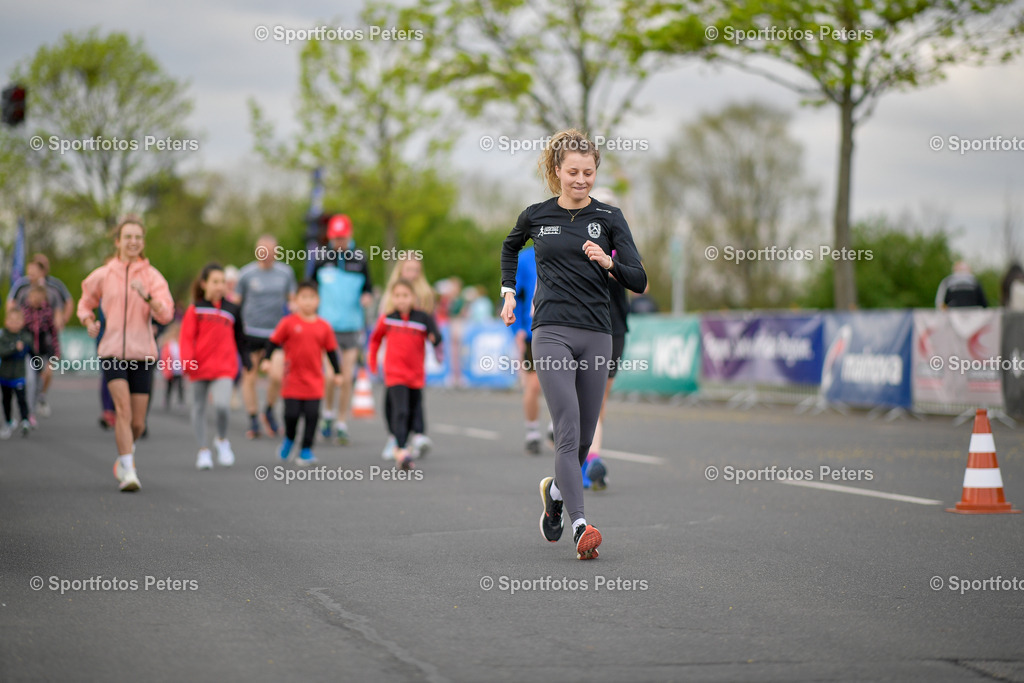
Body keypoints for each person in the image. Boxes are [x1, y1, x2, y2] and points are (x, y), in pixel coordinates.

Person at [500, 129, 647, 561]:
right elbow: (510, 248)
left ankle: (556, 496)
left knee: (584, 433)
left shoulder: (610, 217)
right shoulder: (536, 215)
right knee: (566, 427)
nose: (581, 180)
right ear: (557, 171)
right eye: (573, 172)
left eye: (588, 172)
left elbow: (639, 280)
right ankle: (581, 524)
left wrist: (608, 262)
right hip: (551, 331)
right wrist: (508, 291)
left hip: (597, 332)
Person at [78, 216, 174, 492]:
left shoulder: (152, 276)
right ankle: (128, 469)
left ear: (143, 243)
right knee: (122, 410)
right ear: (118, 241)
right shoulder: (104, 274)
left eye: (138, 238)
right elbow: (85, 302)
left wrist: (147, 297)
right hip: (111, 352)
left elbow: (166, 312)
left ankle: (125, 456)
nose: (133, 242)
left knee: (138, 423)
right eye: (128, 237)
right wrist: (88, 322)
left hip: (142, 353)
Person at [580, 186, 634, 491]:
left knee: (599, 402)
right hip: (586, 327)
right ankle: (590, 460)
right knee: (588, 400)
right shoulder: (579, 240)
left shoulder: (621, 247)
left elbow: (643, 282)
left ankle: (590, 462)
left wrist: (613, 267)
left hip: (616, 329)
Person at [180, 263, 251, 470]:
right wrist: (187, 361)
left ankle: (221, 440)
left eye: (223, 282)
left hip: (224, 368)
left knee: (222, 406)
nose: (220, 286)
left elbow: (241, 338)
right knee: (199, 408)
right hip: (199, 367)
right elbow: (186, 338)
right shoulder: (195, 309)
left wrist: (246, 361)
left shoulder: (233, 309)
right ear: (204, 284)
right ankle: (203, 451)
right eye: (215, 282)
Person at [264, 281, 342, 465]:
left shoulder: (324, 326)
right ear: (296, 300)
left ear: (318, 300)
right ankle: (289, 439)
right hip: (292, 380)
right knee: (291, 415)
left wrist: (337, 373)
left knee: (312, 416)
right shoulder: (288, 323)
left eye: (311, 298)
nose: (307, 302)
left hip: (314, 381)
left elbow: (331, 351)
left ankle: (306, 449)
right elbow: (274, 341)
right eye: (303, 297)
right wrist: (266, 360)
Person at [368, 279, 443, 470]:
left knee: (412, 411)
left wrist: (437, 347)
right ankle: (401, 450)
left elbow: (436, 337)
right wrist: (372, 363)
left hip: (415, 374)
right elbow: (375, 340)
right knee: (400, 411)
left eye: (405, 295)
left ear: (413, 297)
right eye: (398, 296)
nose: (401, 300)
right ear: (392, 298)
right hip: (394, 373)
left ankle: (408, 440)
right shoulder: (387, 318)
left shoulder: (422, 318)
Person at [312, 214, 373, 445]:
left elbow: (367, 287)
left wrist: (367, 298)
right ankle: (327, 413)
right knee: (330, 376)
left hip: (351, 326)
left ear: (349, 235)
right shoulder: (321, 258)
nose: (339, 242)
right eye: (335, 238)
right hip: (327, 327)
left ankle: (341, 421)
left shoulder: (360, 259)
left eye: (342, 237)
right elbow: (310, 288)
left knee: (347, 377)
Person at [237, 235, 296, 439]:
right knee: (250, 376)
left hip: (276, 334)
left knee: (277, 376)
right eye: (262, 250)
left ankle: (269, 410)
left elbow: (292, 299)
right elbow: (237, 302)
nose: (266, 254)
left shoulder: (285, 273)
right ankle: (253, 417)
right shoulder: (245, 274)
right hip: (250, 331)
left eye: (270, 250)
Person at [378, 257, 436, 459]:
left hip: (415, 355)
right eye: (408, 269)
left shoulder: (425, 294)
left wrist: (435, 341)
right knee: (393, 401)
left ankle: (416, 435)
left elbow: (430, 324)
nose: (412, 273)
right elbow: (381, 325)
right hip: (394, 355)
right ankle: (395, 437)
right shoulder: (391, 295)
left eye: (416, 269)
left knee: (414, 398)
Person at [7, 254, 73, 418]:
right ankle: (28, 409)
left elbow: (64, 304)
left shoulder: (54, 287)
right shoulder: (21, 286)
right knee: (30, 376)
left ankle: (39, 397)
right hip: (28, 340)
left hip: (46, 339)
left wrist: (63, 319)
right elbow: (12, 305)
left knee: (44, 373)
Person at [511, 244, 543, 454]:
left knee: (563, 382)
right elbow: (514, 295)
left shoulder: (569, 248)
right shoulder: (524, 258)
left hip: (562, 328)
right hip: (533, 332)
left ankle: (556, 427)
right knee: (533, 385)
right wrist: (518, 331)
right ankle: (532, 430)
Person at [21, 285, 59, 425]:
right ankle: (29, 413)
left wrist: (55, 354)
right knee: (30, 380)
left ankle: (39, 399)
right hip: (28, 351)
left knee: (41, 378)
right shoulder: (24, 312)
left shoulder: (47, 312)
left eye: (39, 297)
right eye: (33, 297)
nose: (35, 300)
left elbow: (53, 333)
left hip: (42, 350)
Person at [0, 305, 34, 439]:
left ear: (22, 322)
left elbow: (32, 352)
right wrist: (14, 348)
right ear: (6, 322)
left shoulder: (25, 337)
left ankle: (25, 420)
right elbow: (2, 352)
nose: (14, 324)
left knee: (21, 398)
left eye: (17, 321)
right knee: (6, 400)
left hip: (19, 374)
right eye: (11, 321)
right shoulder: (3, 336)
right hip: (4, 375)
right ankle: (8, 422)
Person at [159, 322, 186, 410]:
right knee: (169, 386)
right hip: (171, 368)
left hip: (179, 368)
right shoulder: (169, 343)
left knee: (180, 385)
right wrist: (165, 368)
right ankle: (167, 400)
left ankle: (180, 401)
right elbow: (165, 356)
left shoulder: (181, 342)